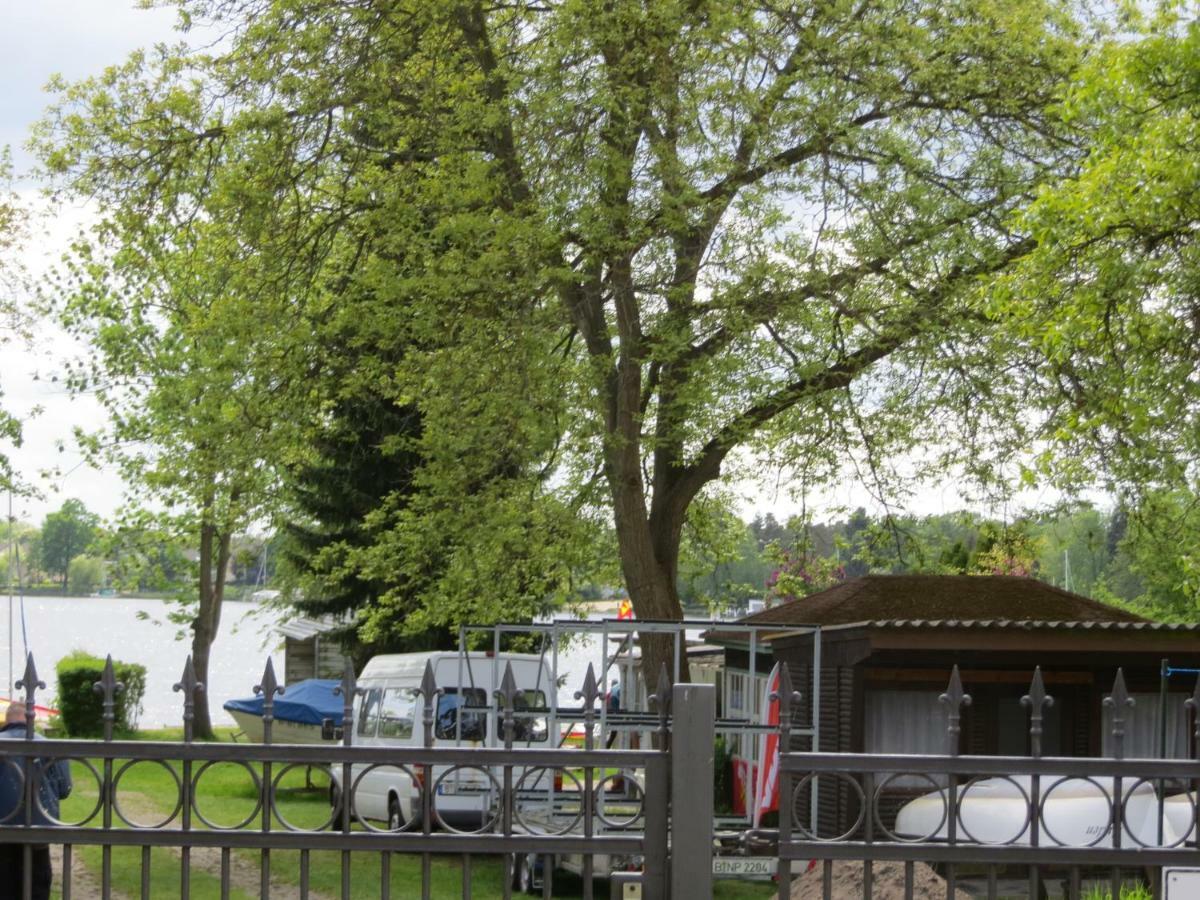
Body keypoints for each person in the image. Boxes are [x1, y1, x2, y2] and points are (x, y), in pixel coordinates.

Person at [0, 703, 72, 900]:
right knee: (37, 885)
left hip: (3, 827)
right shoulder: (50, 746)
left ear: (7, 721)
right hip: (39, 826)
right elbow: (64, 789)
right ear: (30, 719)